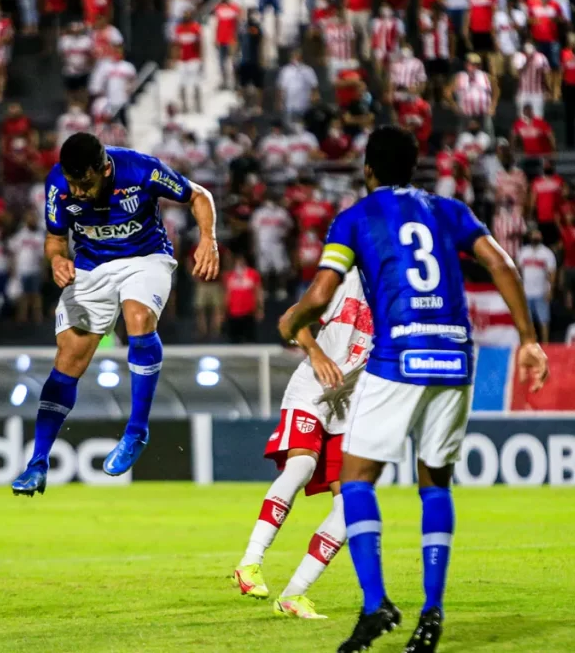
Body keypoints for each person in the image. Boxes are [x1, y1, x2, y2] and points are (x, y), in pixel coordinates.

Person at [282, 126, 548, 653]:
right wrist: (530, 340)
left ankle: (376, 602)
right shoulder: (448, 209)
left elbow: (321, 292)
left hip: (398, 355)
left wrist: (296, 321)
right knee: (435, 483)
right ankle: (431, 614)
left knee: (355, 478)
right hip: (455, 356)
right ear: (414, 167)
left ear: (368, 170)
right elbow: (501, 263)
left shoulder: (355, 218)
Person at [11, 132, 219, 495]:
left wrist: (208, 239)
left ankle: (137, 431)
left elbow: (199, 195)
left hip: (145, 258)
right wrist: (57, 259)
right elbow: (55, 238)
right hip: (92, 268)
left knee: (137, 318)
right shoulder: (58, 183)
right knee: (68, 357)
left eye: (85, 182)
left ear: (105, 169)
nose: (76, 191)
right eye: (72, 183)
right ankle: (37, 462)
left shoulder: (141, 170)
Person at [232, 269, 370, 618]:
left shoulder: (404, 305)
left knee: (350, 508)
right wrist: (316, 353)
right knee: (302, 466)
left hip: (348, 410)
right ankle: (249, 563)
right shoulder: (344, 280)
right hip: (311, 392)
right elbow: (289, 320)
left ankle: (293, 595)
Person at [517, 230, 557, 341]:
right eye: (533, 234)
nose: (535, 236)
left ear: (541, 236)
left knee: (543, 321)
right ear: (530, 236)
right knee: (527, 322)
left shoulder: (547, 253)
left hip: (541, 292)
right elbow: (518, 270)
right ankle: (529, 344)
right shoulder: (523, 252)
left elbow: (552, 273)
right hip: (526, 292)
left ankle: (545, 345)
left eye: (538, 234)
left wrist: (550, 290)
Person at [223, 253, 263, 343]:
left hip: (248, 312)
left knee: (249, 340)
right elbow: (227, 294)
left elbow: (258, 292)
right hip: (233, 313)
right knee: (234, 340)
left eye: (241, 262)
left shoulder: (253, 274)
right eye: (237, 262)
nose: (239, 264)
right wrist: (224, 311)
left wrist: (260, 308)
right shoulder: (229, 276)